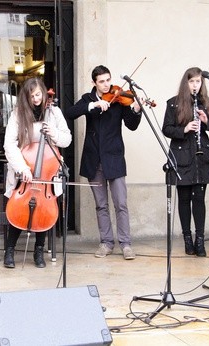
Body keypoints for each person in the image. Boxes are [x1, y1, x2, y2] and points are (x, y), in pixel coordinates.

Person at [65, 65, 142, 260]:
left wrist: (136, 109)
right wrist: (94, 106)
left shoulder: (119, 100)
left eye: (108, 80)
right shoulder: (88, 99)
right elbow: (70, 112)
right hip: (93, 159)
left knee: (121, 204)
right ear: (94, 83)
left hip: (114, 158)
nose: (107, 85)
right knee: (101, 205)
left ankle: (126, 245)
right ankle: (106, 243)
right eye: (102, 81)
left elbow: (131, 126)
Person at [3, 77, 71, 268]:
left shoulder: (53, 112)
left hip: (46, 175)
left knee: (44, 208)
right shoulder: (18, 114)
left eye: (38, 94)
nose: (36, 99)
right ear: (26, 96)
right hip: (23, 172)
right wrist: (23, 168)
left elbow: (66, 140)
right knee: (18, 208)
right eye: (32, 96)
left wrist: (54, 134)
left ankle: (39, 251)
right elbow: (9, 144)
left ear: (43, 91)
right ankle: (10, 249)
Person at [162, 67, 209, 257]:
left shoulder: (206, 103)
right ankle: (187, 239)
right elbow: (167, 129)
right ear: (185, 83)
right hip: (181, 156)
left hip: (201, 156)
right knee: (184, 198)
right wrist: (185, 128)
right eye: (191, 81)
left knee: (199, 199)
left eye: (198, 81)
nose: (195, 85)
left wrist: (205, 122)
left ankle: (200, 240)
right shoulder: (173, 104)